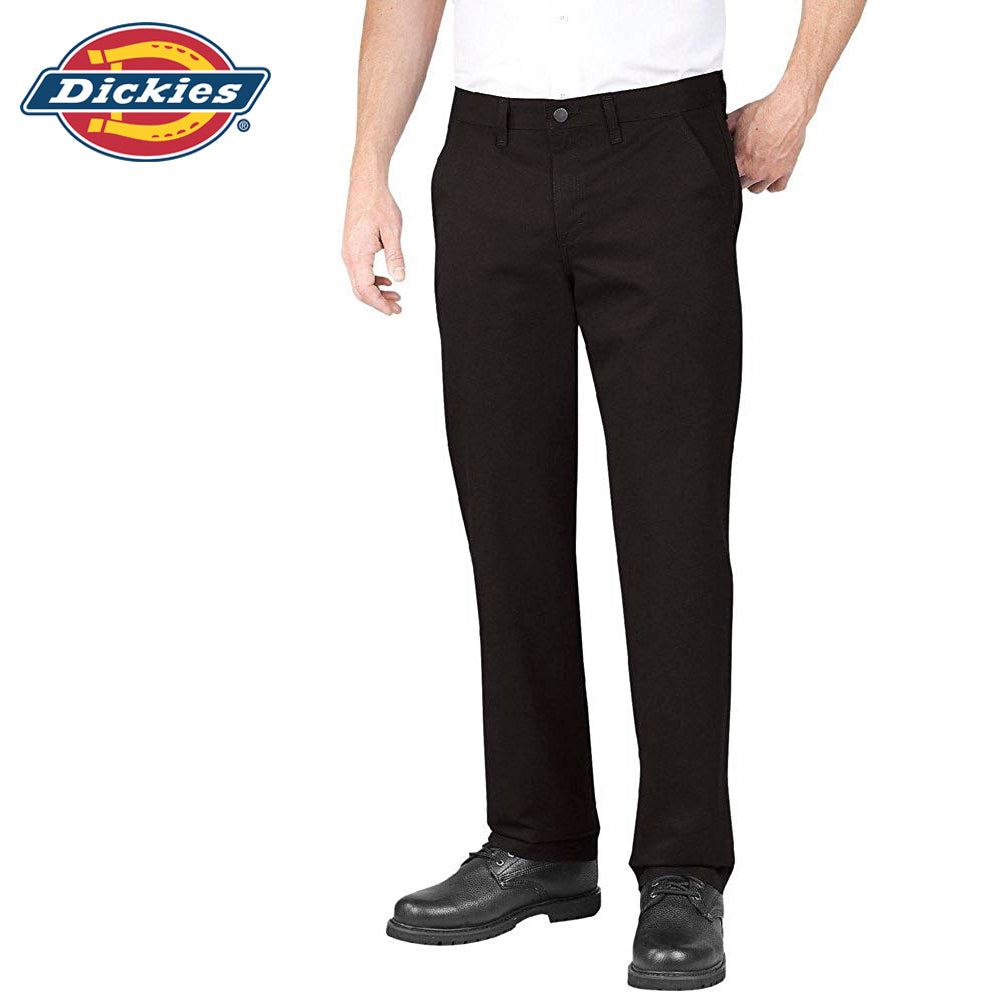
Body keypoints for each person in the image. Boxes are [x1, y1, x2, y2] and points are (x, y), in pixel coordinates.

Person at [343, 0, 865, 989]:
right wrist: (369, 166)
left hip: (658, 153)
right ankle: (537, 839)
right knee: (506, 513)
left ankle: (682, 868)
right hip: (486, 152)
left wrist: (797, 93)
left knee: (672, 524)